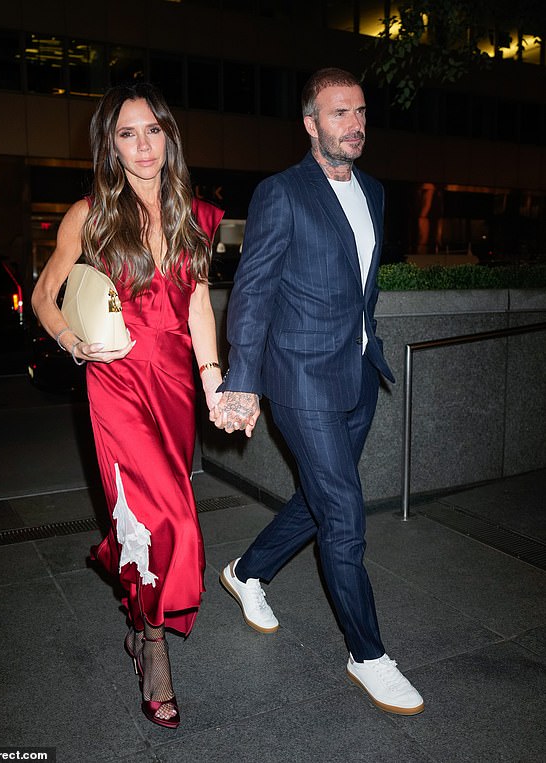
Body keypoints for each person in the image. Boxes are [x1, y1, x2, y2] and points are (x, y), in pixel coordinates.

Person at [211, 68, 424, 716]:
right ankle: (367, 653)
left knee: (319, 498)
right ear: (310, 124)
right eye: (339, 114)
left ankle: (248, 570)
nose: (355, 124)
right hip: (300, 376)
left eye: (360, 112)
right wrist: (243, 382)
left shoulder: (378, 192)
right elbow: (250, 294)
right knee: (344, 514)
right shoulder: (282, 193)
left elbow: (363, 284)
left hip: (357, 372)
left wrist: (368, 341)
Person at [31, 82, 224, 729]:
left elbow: (197, 306)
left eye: (152, 130)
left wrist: (214, 377)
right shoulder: (88, 215)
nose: (143, 145)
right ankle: (156, 646)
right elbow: (44, 295)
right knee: (168, 522)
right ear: (110, 148)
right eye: (127, 134)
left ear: (169, 136)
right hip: (113, 382)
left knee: (156, 521)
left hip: (174, 385)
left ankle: (142, 629)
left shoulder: (198, 216)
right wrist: (69, 341)